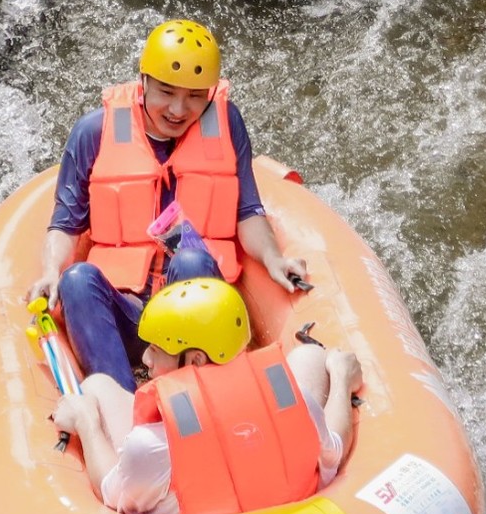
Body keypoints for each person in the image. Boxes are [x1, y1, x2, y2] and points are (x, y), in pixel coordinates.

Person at [30, 20, 308, 392]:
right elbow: (66, 225)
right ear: (143, 80)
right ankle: (123, 402)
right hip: (127, 312)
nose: (178, 109)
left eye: (195, 96)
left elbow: (247, 212)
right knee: (76, 279)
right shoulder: (93, 132)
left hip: (194, 312)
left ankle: (189, 398)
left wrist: (273, 258)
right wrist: (51, 270)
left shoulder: (227, 124)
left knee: (191, 259)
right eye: (166, 91)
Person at [52, 277, 362, 514]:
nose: (146, 359)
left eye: (156, 350)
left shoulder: (152, 444)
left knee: (98, 385)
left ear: (196, 360)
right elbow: (334, 449)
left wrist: (86, 422)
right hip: (282, 507)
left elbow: (111, 494)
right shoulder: (292, 399)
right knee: (310, 356)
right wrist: (341, 380)